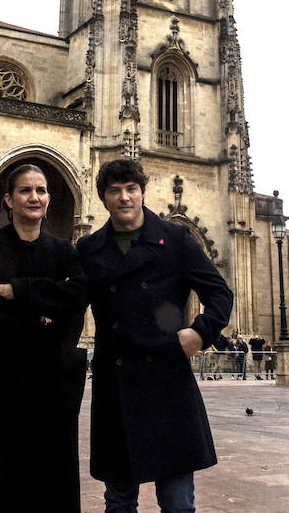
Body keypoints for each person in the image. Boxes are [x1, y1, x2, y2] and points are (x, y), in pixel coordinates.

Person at [77, 158, 233, 513]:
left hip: (167, 380)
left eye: (131, 189)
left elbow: (220, 294)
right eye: (115, 191)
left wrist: (200, 332)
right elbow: (70, 303)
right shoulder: (91, 249)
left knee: (178, 503)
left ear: (142, 193)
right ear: (103, 198)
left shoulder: (175, 239)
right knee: (119, 502)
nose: (124, 198)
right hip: (116, 384)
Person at [0, 164, 88, 513]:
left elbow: (76, 301)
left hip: (49, 383)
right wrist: (44, 309)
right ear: (8, 201)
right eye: (25, 191)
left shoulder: (64, 252)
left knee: (48, 477)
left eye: (41, 190)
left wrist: (20, 290)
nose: (34, 197)